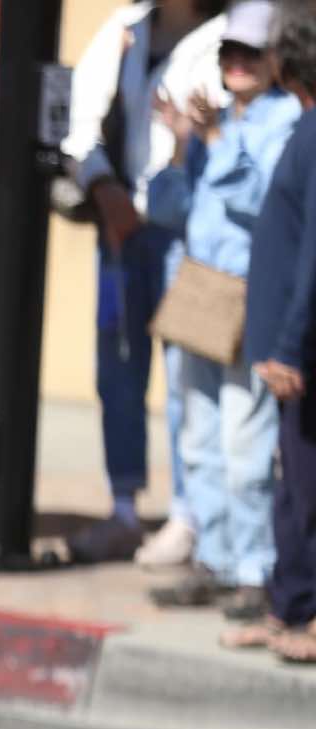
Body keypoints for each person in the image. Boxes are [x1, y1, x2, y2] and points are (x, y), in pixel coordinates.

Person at [64, 0, 232, 565]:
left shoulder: (229, 37)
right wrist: (102, 186)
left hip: (189, 235)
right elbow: (78, 124)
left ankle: (190, 515)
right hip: (120, 228)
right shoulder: (124, 27)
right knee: (117, 367)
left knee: (189, 381)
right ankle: (124, 509)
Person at [146, 1, 297, 620]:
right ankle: (214, 557)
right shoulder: (221, 120)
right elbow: (169, 209)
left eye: (251, 53)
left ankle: (254, 568)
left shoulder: (287, 120)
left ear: (276, 60)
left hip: (249, 296)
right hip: (199, 291)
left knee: (245, 441)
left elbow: (263, 203)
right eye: (229, 52)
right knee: (198, 436)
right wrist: (183, 144)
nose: (237, 63)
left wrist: (213, 140)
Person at [228, 1, 316, 662]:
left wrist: (291, 345)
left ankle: (306, 613)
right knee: (293, 483)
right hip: (290, 344)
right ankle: (289, 606)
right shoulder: (306, 126)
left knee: (307, 485)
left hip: (302, 348)